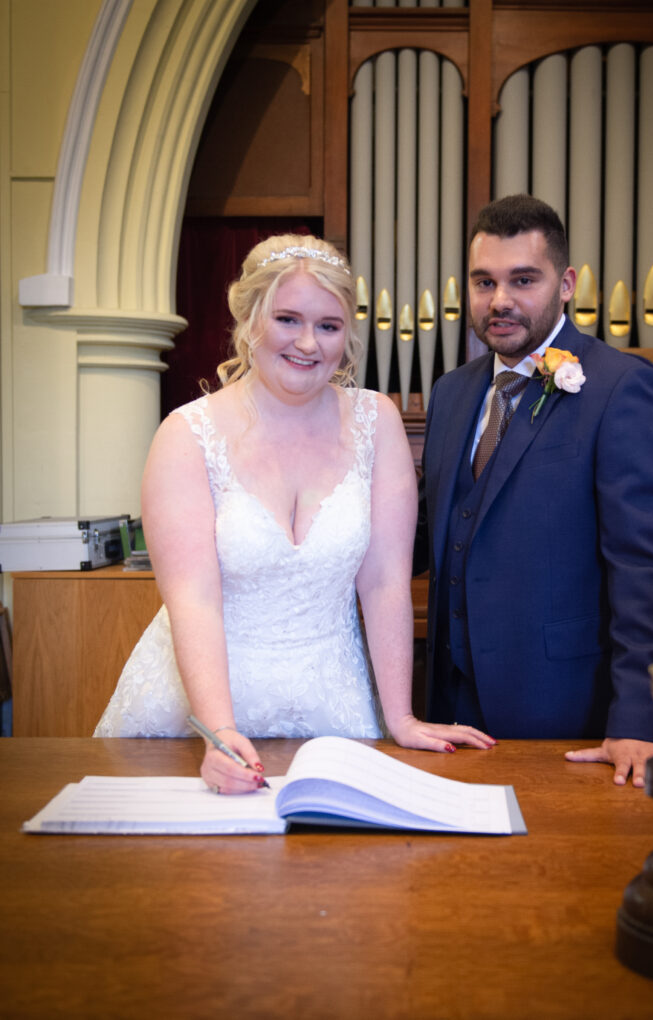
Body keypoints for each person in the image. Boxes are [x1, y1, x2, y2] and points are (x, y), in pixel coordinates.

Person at [95, 234, 494, 793]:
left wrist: (401, 717)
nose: (308, 343)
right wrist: (218, 732)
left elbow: (384, 582)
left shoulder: (376, 422)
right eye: (287, 319)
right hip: (199, 709)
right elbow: (194, 599)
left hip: (333, 700)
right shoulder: (187, 435)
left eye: (329, 326)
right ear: (249, 318)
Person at [414, 195, 653, 786]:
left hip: (563, 708)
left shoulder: (621, 387)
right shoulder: (451, 393)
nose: (500, 300)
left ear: (565, 285)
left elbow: (644, 568)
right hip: (450, 709)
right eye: (484, 282)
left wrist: (642, 719)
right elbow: (429, 533)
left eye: (523, 280)